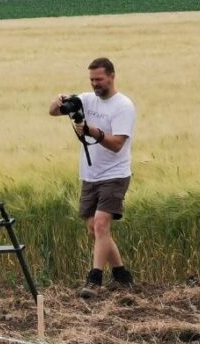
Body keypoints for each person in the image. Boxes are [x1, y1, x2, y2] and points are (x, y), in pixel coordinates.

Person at [49, 57, 137, 297]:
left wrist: (92, 132)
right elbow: (53, 112)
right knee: (94, 229)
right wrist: (59, 102)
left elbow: (117, 144)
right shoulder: (86, 100)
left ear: (111, 76)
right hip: (90, 174)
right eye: (91, 80)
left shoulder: (123, 106)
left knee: (100, 224)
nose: (95, 84)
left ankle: (94, 280)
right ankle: (121, 274)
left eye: (99, 79)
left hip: (115, 174)